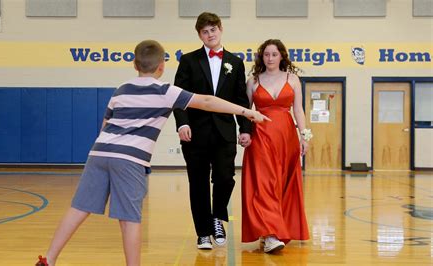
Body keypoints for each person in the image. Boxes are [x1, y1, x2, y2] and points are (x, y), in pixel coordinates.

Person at [35, 40, 269, 266]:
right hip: (130, 160)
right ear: (161, 66)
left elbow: (105, 125)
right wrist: (247, 112)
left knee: (79, 208)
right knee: (130, 219)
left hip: (99, 154)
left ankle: (49, 259)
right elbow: (207, 101)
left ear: (135, 65)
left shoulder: (121, 90)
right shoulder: (165, 91)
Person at [173, 12, 253, 250]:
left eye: (213, 30)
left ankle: (217, 217)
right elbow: (179, 97)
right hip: (195, 132)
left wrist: (245, 128)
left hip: (224, 132)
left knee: (224, 178)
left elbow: (241, 100)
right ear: (200, 35)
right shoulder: (188, 60)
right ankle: (203, 232)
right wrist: (182, 123)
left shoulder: (236, 63)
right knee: (197, 182)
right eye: (205, 32)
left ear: (220, 29)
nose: (210, 35)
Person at [241, 39, 311, 253]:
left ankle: (271, 230)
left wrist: (304, 135)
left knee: (282, 185)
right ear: (262, 58)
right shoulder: (253, 81)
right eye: (266, 55)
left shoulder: (293, 79)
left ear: (282, 56)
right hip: (260, 137)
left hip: (286, 138)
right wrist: (243, 132)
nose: (270, 58)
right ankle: (271, 234)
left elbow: (298, 110)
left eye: (274, 54)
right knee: (264, 185)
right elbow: (245, 110)